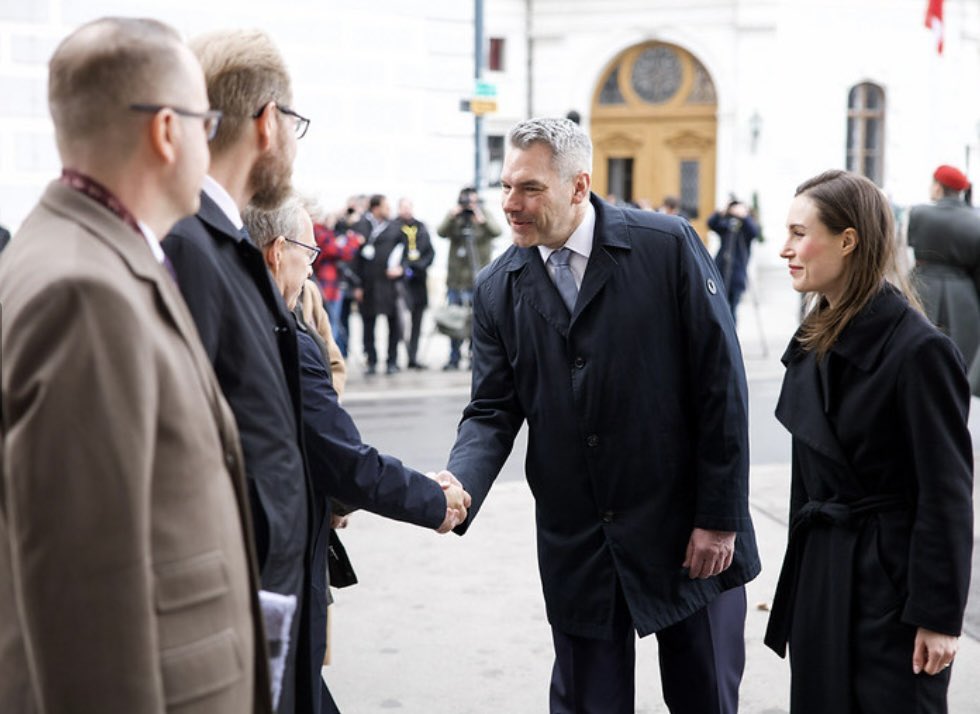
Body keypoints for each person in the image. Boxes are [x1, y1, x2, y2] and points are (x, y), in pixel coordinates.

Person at [440, 117, 760, 714]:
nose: (510, 203)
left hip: (688, 532)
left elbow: (722, 385)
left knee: (705, 697)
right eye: (507, 186)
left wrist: (719, 517)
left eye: (530, 188)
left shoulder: (666, 245)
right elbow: (491, 410)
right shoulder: (495, 288)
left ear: (579, 187)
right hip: (581, 543)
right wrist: (459, 484)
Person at [0, 17, 271, 713]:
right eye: (205, 121)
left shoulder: (82, 251)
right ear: (166, 131)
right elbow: (85, 586)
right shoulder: (85, 293)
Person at [244, 196, 470, 711]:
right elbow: (342, 458)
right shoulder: (279, 334)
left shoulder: (245, 314)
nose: (315, 262)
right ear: (279, 251)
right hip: (273, 560)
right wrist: (435, 503)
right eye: (309, 250)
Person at [765, 169, 974, 713]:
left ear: (848, 240)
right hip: (823, 580)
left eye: (797, 232)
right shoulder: (814, 338)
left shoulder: (919, 351)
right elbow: (805, 484)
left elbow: (947, 494)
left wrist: (938, 616)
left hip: (892, 588)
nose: (784, 248)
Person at [160, 29, 316, 714]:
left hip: (261, 586)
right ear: (268, 123)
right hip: (236, 596)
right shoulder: (190, 243)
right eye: (295, 125)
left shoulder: (219, 236)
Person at [907, 164, 980, 393]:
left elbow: (910, 249)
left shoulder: (919, 213)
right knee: (959, 358)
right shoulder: (976, 220)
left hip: (923, 285)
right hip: (963, 294)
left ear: (939, 187)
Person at [436, 186, 501, 370]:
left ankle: (475, 356)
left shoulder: (483, 216)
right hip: (456, 280)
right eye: (465, 202)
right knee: (454, 320)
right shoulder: (455, 218)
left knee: (477, 321)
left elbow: (497, 232)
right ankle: (454, 357)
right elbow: (441, 232)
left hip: (478, 279)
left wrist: (480, 218)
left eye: (471, 201)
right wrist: (452, 216)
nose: (468, 206)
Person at [352, 194, 404, 375]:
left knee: (393, 323)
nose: (388, 210)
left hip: (389, 283)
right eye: (385, 206)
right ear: (375, 208)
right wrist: (356, 285)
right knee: (368, 323)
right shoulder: (361, 226)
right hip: (368, 283)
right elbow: (354, 257)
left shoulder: (395, 228)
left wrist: (402, 269)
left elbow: (405, 252)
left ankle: (392, 360)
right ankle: (371, 360)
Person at [394, 197, 435, 369]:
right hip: (401, 281)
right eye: (404, 207)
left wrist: (416, 267)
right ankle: (395, 357)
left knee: (418, 319)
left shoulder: (421, 227)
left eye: (409, 207)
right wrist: (404, 268)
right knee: (400, 320)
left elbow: (430, 253)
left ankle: (413, 356)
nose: (407, 210)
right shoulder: (394, 227)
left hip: (419, 279)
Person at [708, 198, 760, 322]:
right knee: (717, 308)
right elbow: (711, 223)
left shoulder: (746, 227)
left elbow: (754, 232)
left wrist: (744, 215)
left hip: (737, 274)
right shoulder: (726, 225)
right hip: (720, 270)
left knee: (732, 310)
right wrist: (722, 211)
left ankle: (730, 338)